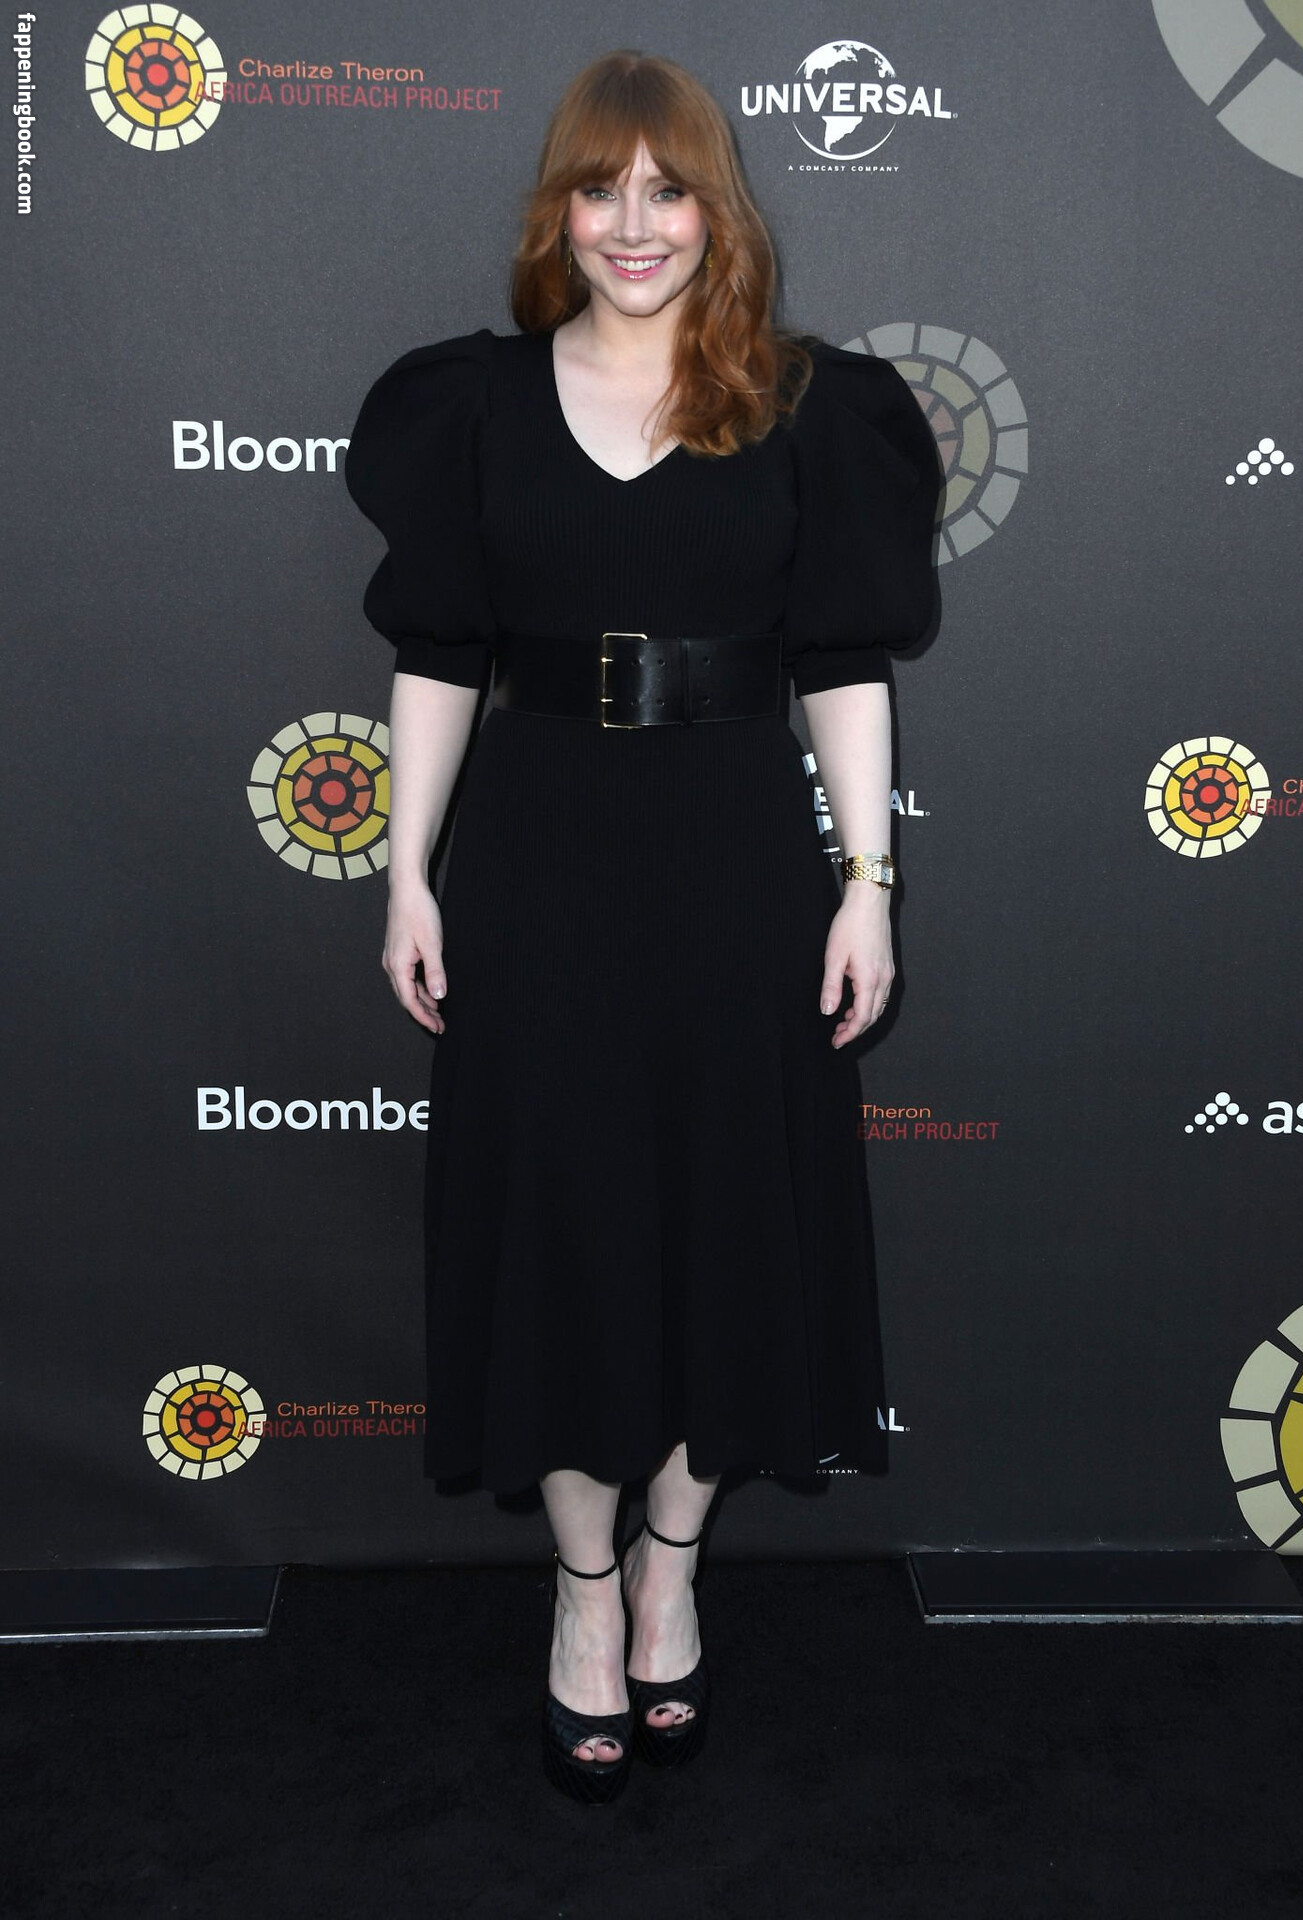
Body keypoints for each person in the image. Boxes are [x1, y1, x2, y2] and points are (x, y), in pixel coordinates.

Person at [343, 49, 940, 1804]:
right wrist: (406, 872)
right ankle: (583, 1589)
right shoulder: (469, 405)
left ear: (713, 210)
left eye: (666, 189)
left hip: (736, 872)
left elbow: (841, 663)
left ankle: (673, 1563)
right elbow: (438, 654)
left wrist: (865, 884)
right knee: (565, 1235)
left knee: (725, 1229)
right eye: (598, 188)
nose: (631, 223)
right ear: (559, 210)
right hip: (537, 871)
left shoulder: (806, 405)